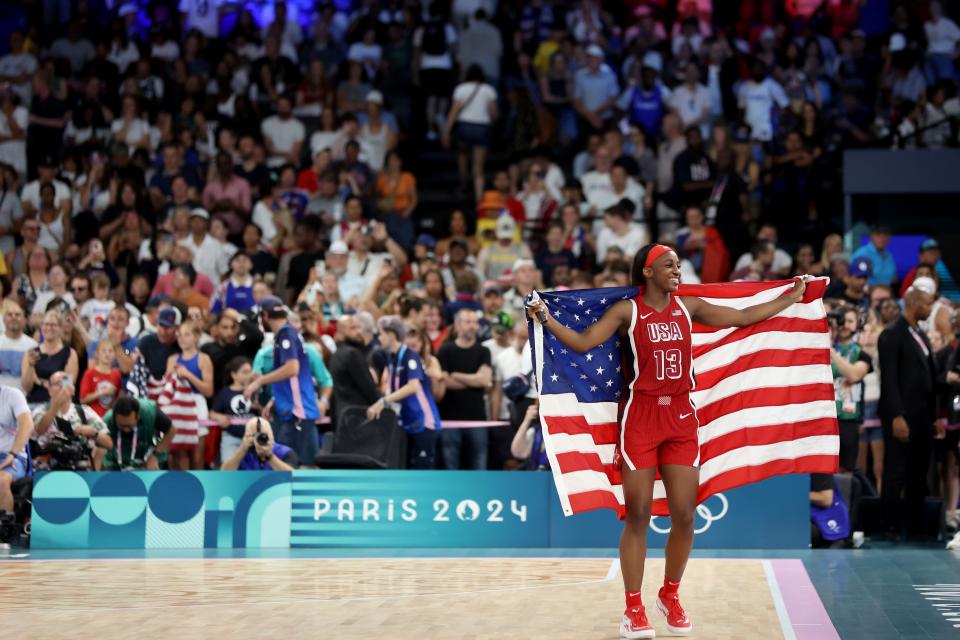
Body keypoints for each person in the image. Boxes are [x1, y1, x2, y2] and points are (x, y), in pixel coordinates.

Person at [527, 243, 808, 638]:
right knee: (638, 514)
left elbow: (743, 317)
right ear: (647, 272)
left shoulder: (688, 307)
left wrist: (790, 297)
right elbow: (584, 342)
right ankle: (633, 608)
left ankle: (670, 595)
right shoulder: (629, 310)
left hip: (680, 416)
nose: (677, 270)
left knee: (686, 514)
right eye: (669, 265)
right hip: (642, 416)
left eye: (677, 265)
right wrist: (546, 320)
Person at [878, 281, 939, 539]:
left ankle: (915, 525)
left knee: (918, 472)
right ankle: (889, 525)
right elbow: (890, 380)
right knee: (896, 471)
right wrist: (897, 416)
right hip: (902, 416)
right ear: (913, 304)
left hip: (923, 417)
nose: (930, 308)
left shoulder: (921, 334)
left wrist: (935, 417)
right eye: (927, 303)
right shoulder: (892, 334)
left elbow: (929, 378)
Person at [244, 296, 320, 467]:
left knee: (302, 466)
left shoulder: (286, 334)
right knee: (287, 464)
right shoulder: (287, 335)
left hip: (298, 413)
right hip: (290, 410)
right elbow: (292, 379)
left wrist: (259, 381)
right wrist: (274, 399)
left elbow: (292, 368)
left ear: (264, 316)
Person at [367, 316, 442, 469]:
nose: (379, 338)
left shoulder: (410, 356)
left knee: (423, 472)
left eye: (381, 334)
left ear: (391, 334)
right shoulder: (392, 358)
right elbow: (390, 387)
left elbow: (413, 386)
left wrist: (383, 402)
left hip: (424, 422)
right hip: (408, 422)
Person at [438, 309, 492, 470]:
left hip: (477, 418)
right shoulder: (445, 350)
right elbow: (445, 382)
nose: (472, 326)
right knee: (450, 465)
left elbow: (484, 380)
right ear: (457, 325)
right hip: (450, 418)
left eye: (475, 322)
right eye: (468, 322)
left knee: (479, 464)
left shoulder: (483, 351)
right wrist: (473, 380)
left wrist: (455, 375)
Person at [33, 371, 113, 470]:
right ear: (49, 390)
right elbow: (40, 429)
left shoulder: (84, 411)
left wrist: (93, 432)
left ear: (73, 389)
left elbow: (109, 444)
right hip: (47, 467)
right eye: (58, 383)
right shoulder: (40, 411)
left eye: (65, 382)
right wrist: (56, 404)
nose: (62, 387)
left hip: (78, 468)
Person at [443, 64, 498, 200]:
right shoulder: (489, 90)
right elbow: (494, 114)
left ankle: (464, 184)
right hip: (482, 127)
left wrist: (446, 131)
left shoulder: (461, 89)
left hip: (465, 126)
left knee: (462, 156)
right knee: (478, 167)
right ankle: (479, 198)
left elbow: (454, 112)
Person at [830, 304, 873, 474]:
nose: (845, 325)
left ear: (857, 325)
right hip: (825, 416)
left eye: (850, 321)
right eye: (841, 321)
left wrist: (831, 351)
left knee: (846, 469)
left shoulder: (861, 354)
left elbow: (854, 375)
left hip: (848, 419)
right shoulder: (819, 349)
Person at [328, 314, 381, 426]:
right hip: (357, 418)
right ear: (340, 334)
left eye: (358, 327)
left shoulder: (336, 355)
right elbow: (368, 387)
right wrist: (382, 405)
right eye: (352, 328)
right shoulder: (352, 354)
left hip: (342, 418)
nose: (358, 332)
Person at [101, 396, 176, 471]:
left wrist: (155, 455)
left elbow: (171, 430)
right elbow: (100, 450)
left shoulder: (149, 412)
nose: (126, 430)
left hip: (148, 452)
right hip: (118, 458)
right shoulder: (107, 420)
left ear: (138, 416)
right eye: (122, 426)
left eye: (129, 426)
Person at [22, 310, 79, 406]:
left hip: (59, 404)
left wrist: (42, 382)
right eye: (46, 324)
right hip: (34, 403)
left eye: (53, 325)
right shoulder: (31, 353)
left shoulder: (70, 353)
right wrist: (31, 366)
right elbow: (26, 387)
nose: (48, 328)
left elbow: (67, 385)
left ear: (60, 328)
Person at [220, 417, 298, 471]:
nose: (259, 440)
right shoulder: (242, 454)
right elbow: (224, 474)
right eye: (253, 435)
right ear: (245, 436)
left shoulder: (285, 452)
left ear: (272, 435)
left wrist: (270, 457)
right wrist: (242, 450)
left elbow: (294, 478)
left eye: (264, 436)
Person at [0, 385, 32, 512]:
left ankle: (5, 528)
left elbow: (27, 424)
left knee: (1, 482)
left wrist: (12, 454)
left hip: (12, 457)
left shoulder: (13, 395)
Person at [0, 300, 37, 390]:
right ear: (4, 319)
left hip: (23, 396)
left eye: (17, 315)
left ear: (24, 320)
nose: (14, 317)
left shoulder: (32, 345)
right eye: (10, 314)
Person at [79, 340, 122, 417]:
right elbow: (83, 399)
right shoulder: (89, 373)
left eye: (110, 351)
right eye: (103, 350)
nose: (107, 354)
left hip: (110, 417)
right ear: (96, 354)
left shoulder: (117, 374)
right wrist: (103, 392)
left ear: (114, 355)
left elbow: (119, 397)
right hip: (93, 417)